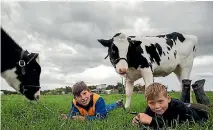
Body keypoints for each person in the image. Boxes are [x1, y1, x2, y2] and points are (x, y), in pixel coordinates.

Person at [132, 79, 210, 129]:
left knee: (207, 107)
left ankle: (198, 87)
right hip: (183, 105)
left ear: (168, 99)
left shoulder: (178, 107)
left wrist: (151, 121)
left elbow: (170, 125)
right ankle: (186, 86)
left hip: (198, 111)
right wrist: (138, 120)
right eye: (152, 103)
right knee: (184, 101)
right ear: (148, 103)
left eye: (160, 101)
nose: (156, 106)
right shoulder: (150, 108)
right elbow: (146, 120)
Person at [60, 81, 124, 121]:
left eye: (84, 93)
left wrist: (85, 119)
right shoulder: (74, 102)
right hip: (91, 112)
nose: (83, 98)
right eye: (79, 96)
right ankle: (117, 103)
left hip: (97, 109)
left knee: (108, 108)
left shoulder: (98, 99)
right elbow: (73, 114)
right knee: (107, 107)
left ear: (90, 92)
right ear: (75, 98)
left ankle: (117, 104)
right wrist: (67, 117)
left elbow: (102, 117)